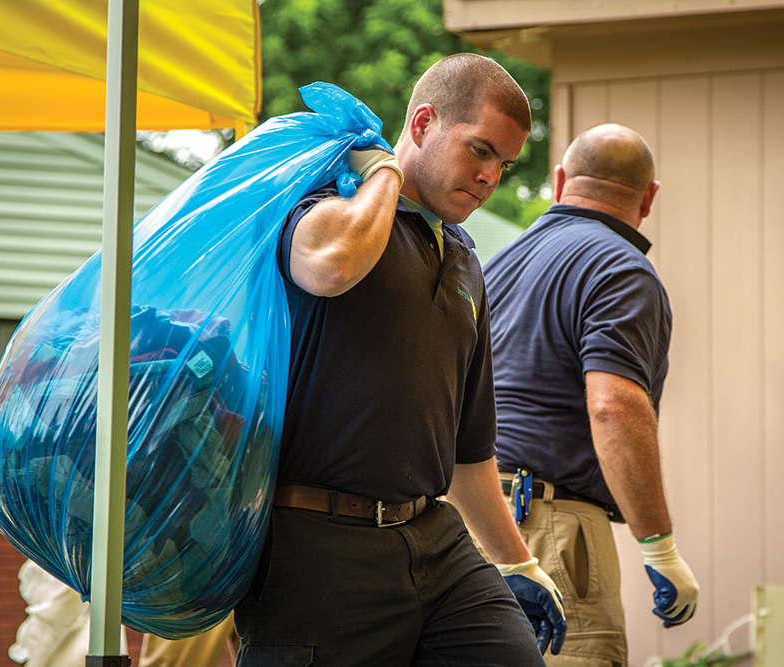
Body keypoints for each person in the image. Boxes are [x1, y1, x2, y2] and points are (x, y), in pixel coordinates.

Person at [232, 53, 567, 667]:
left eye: (506, 163)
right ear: (421, 125)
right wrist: (382, 170)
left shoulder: (466, 258)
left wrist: (518, 561)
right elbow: (330, 266)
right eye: (481, 150)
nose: (492, 176)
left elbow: (469, 454)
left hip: (436, 542)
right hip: (319, 550)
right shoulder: (330, 200)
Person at [482, 124, 699, 666]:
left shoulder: (493, 268)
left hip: (468, 519)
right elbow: (614, 406)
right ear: (648, 198)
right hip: (546, 529)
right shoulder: (621, 269)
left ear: (559, 182)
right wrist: (660, 548)